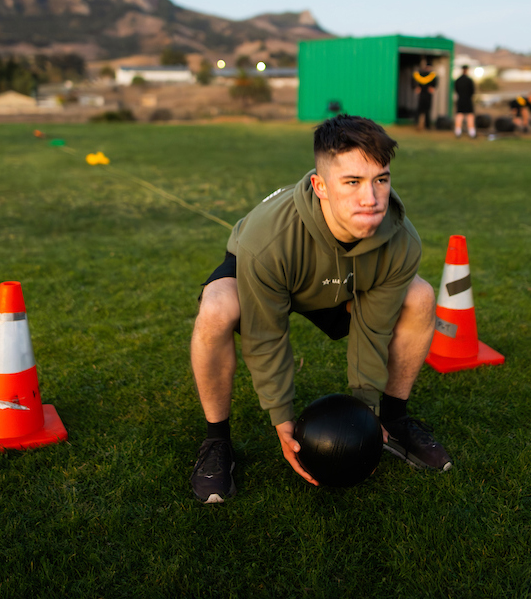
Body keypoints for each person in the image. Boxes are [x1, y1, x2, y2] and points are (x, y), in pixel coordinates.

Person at [190, 115, 452, 503]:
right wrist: (282, 418)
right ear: (321, 186)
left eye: (381, 179)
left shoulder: (401, 241)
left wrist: (365, 414)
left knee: (421, 296)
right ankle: (216, 441)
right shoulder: (268, 239)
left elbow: (373, 329)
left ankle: (394, 421)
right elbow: (266, 336)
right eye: (352, 182)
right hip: (283, 269)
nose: (371, 198)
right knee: (216, 309)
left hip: (343, 280)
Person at [412, 62, 437, 130]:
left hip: (428, 94)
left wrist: (433, 87)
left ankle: (427, 125)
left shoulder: (432, 75)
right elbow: (414, 81)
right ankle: (418, 124)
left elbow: (435, 84)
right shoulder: (420, 74)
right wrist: (416, 87)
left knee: (427, 110)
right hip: (422, 94)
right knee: (420, 109)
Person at [453, 65, 476, 139]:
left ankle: (458, 131)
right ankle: (472, 132)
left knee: (459, 115)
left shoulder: (458, 80)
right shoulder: (469, 80)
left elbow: (456, 90)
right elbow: (472, 91)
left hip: (460, 99)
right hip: (468, 100)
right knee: (470, 115)